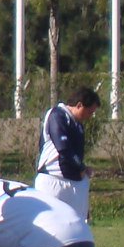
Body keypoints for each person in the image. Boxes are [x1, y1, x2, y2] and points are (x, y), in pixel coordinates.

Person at [33, 87, 100, 217]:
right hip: (53, 180)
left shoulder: (78, 124)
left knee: (77, 226)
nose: (90, 117)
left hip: (75, 182)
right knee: (50, 224)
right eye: (89, 112)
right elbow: (63, 148)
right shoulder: (57, 115)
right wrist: (81, 167)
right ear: (79, 105)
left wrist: (83, 169)